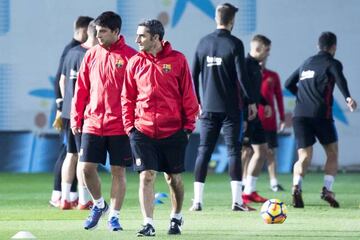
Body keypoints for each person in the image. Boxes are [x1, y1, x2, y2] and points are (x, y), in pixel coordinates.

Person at [122, 19, 199, 236]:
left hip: (173, 131)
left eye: (142, 36)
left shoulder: (178, 60)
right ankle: (148, 223)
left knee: (172, 178)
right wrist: (130, 127)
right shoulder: (134, 62)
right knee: (146, 175)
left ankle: (176, 217)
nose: (137, 40)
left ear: (156, 38)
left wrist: (188, 127)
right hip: (142, 130)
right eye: (137, 35)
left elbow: (189, 95)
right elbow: (127, 97)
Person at [71, 11, 136, 231]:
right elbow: (81, 88)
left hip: (120, 125)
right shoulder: (91, 55)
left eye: (103, 32)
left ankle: (114, 217)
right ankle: (99, 205)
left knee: (118, 172)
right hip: (92, 122)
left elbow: (140, 92)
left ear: (116, 32)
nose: (98, 36)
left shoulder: (131, 57)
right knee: (86, 169)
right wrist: (76, 116)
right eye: (96, 31)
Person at [190, 3, 257, 212]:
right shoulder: (235, 43)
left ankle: (197, 201)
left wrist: (197, 102)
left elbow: (193, 75)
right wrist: (251, 101)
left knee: (204, 151)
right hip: (231, 108)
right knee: (234, 152)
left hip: (208, 108)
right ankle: (237, 202)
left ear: (216, 18)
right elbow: (241, 76)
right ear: (232, 21)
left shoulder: (202, 43)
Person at [285, 31, 357, 208]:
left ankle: (296, 187)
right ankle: (327, 189)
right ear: (334, 47)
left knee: (304, 157)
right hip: (320, 115)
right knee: (332, 153)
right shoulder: (332, 63)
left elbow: (288, 84)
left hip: (300, 114)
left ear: (318, 46)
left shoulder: (306, 63)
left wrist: (302, 97)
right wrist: (348, 97)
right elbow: (340, 79)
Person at [50, 15, 93, 208]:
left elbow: (61, 80)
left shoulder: (71, 52)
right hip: (84, 113)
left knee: (70, 154)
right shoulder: (91, 54)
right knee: (84, 157)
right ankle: (83, 199)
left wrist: (62, 106)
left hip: (69, 111)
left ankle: (65, 198)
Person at [242, 56, 286, 192]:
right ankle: (244, 181)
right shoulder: (247, 74)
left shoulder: (272, 76)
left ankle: (274, 182)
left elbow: (278, 97)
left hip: (268, 120)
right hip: (251, 118)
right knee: (246, 151)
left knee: (270, 152)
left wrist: (282, 118)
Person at [241, 35, 272, 205]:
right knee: (244, 152)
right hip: (245, 115)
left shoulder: (256, 66)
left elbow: (253, 91)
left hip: (255, 115)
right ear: (259, 48)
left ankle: (249, 191)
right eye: (267, 50)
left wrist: (265, 103)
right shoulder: (245, 64)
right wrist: (244, 115)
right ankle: (238, 190)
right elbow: (241, 91)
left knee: (262, 151)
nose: (268, 54)